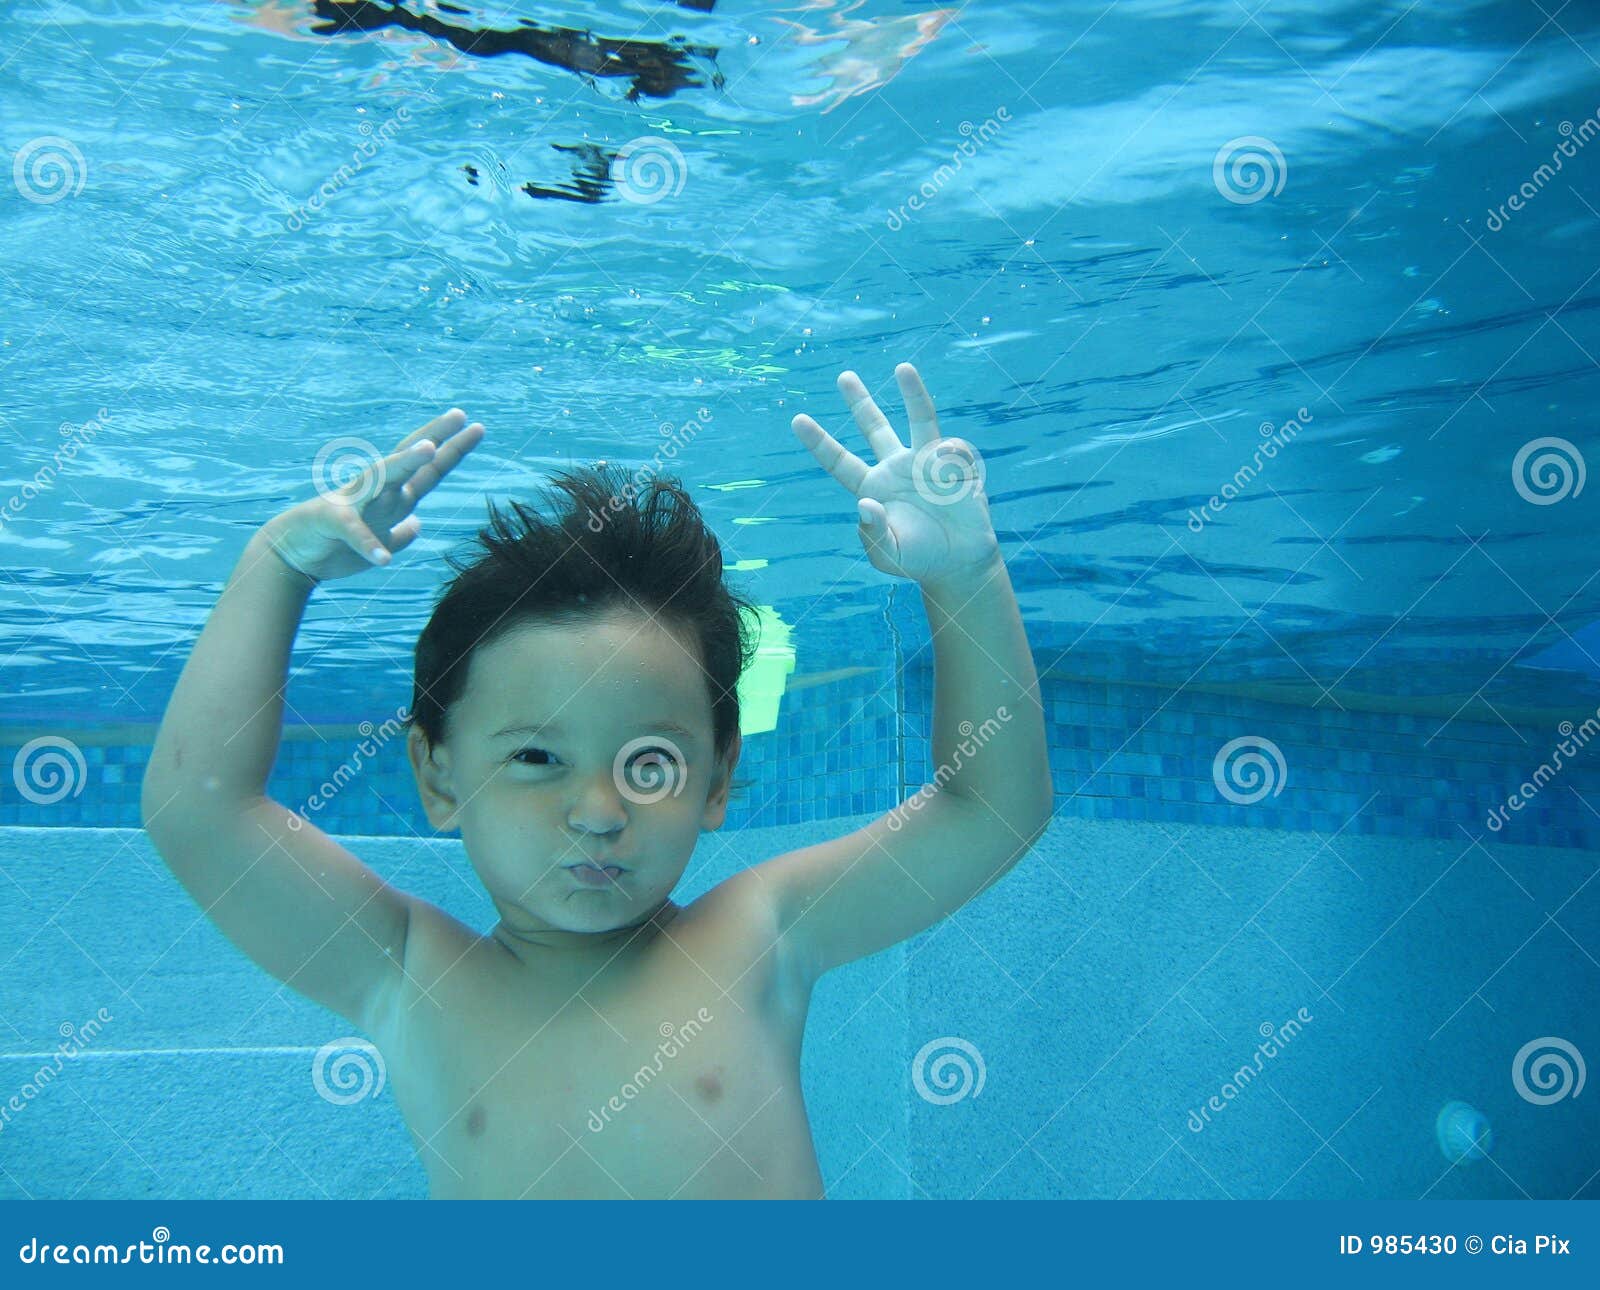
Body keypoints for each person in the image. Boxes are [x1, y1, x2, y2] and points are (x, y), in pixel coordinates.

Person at [140, 362, 1054, 1199]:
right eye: (537, 757)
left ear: (717, 780)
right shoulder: (409, 976)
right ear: (439, 775)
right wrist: (278, 567)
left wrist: (966, 574)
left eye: (648, 765)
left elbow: (991, 811)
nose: (598, 812)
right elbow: (200, 814)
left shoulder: (756, 937)